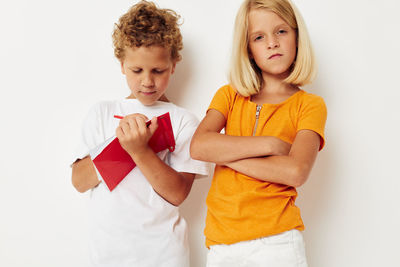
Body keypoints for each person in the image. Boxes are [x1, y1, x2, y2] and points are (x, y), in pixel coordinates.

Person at [71, 1, 209, 266]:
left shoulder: (184, 121)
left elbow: (177, 193)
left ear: (173, 65)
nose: (147, 81)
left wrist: (140, 150)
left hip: (164, 255)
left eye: (158, 70)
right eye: (137, 70)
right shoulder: (102, 112)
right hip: (107, 255)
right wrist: (121, 144)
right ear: (122, 64)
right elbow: (79, 181)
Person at [190, 0, 327, 266]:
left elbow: (295, 172)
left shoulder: (309, 105)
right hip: (221, 243)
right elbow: (199, 147)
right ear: (248, 49)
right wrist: (271, 144)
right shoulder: (228, 95)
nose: (272, 43)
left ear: (297, 37)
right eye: (259, 37)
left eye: (281, 31)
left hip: (278, 242)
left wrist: (224, 155)